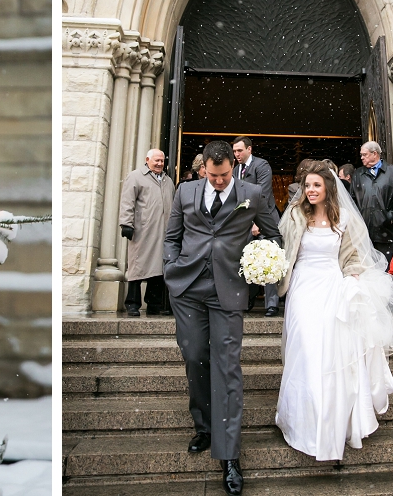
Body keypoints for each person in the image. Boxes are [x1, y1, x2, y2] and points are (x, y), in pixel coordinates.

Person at [163, 141, 281, 496]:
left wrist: (261, 262)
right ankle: (205, 425)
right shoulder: (185, 191)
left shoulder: (253, 193)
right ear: (204, 170)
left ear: (234, 166)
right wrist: (170, 265)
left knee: (227, 365)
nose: (217, 181)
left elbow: (274, 234)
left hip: (229, 289)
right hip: (187, 287)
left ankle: (229, 455)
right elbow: (171, 237)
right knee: (195, 355)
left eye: (224, 175)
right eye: (212, 176)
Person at [275, 162, 393, 460]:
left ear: (328, 189)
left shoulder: (344, 218)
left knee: (329, 351)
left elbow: (352, 256)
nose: (310, 191)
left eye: (316, 186)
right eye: (307, 185)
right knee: (305, 347)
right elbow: (281, 249)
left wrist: (355, 275)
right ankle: (301, 419)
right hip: (302, 289)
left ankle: (329, 420)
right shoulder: (296, 216)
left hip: (332, 287)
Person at [119, 149, 175, 316]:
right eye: (156, 160)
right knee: (137, 267)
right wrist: (126, 223)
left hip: (164, 231)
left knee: (158, 269)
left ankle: (154, 304)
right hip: (143, 230)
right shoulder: (136, 176)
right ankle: (132, 304)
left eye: (162, 161)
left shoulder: (168, 181)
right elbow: (127, 200)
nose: (159, 164)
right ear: (147, 160)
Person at [232, 136, 281, 316]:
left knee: (269, 259)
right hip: (244, 223)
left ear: (249, 149)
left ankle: (271, 304)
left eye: (240, 150)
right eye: (235, 151)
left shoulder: (262, 165)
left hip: (265, 221)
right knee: (246, 260)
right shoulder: (236, 170)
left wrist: (256, 222)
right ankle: (247, 299)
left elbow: (263, 194)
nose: (236, 154)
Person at [352, 141, 393, 263]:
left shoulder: (392, 172)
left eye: (364, 154)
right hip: (364, 233)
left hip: (386, 232)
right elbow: (352, 200)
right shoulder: (358, 174)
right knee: (368, 270)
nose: (361, 157)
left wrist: (390, 217)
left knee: (387, 270)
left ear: (374, 154)